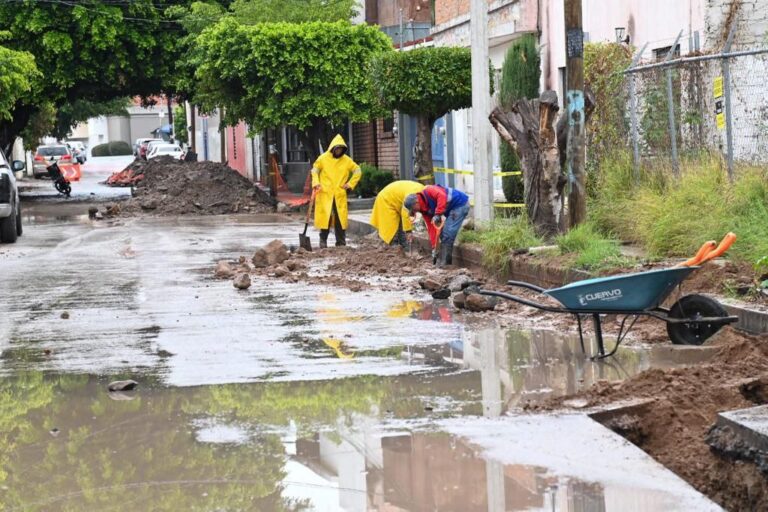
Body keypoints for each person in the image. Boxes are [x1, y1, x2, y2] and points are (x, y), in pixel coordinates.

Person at [311, 134, 361, 248]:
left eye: (341, 149)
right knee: (326, 218)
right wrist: (316, 183)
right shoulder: (323, 158)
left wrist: (350, 184)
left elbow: (357, 170)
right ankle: (323, 240)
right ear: (333, 148)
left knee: (340, 218)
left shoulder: (346, 160)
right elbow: (314, 171)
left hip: (339, 193)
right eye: (337, 149)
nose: (339, 151)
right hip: (325, 193)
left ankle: (341, 242)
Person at [404, 184, 470, 266]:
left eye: (413, 209)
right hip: (451, 209)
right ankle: (444, 260)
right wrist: (434, 247)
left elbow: (442, 196)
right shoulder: (425, 211)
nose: (415, 212)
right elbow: (431, 228)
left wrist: (438, 214)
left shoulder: (429, 190)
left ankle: (446, 264)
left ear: (416, 203)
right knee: (443, 235)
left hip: (460, 204)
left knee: (448, 234)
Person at [370, 180, 425, 249]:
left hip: (394, 197)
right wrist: (408, 231)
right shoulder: (412, 196)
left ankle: (403, 245)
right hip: (386, 199)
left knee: (402, 225)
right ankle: (394, 247)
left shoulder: (421, 194)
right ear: (416, 202)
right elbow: (405, 213)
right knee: (391, 228)